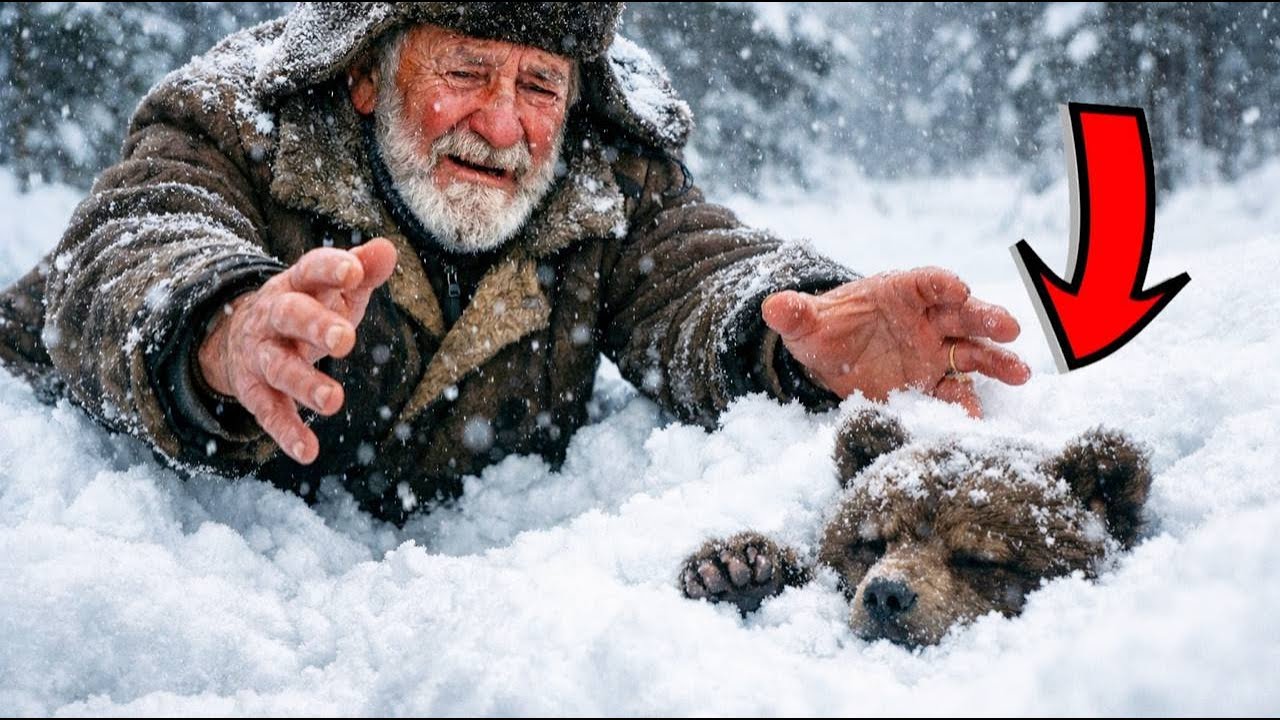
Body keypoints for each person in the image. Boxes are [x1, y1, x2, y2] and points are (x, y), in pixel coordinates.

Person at [0, 3, 1029, 523]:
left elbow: (692, 267)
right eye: (463, 72)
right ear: (367, 72)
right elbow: (136, 236)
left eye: (538, 84)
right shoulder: (240, 116)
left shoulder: (606, 165)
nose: (501, 125)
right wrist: (220, 333)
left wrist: (805, 325)